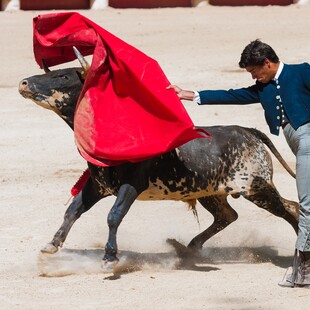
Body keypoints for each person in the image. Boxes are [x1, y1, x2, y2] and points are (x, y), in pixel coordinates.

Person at [168, 39, 310, 288]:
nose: (253, 75)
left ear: (267, 63)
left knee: (307, 205)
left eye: (254, 70)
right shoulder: (263, 87)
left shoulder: (302, 71)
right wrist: (188, 95)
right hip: (299, 146)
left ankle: (305, 270)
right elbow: (232, 95)